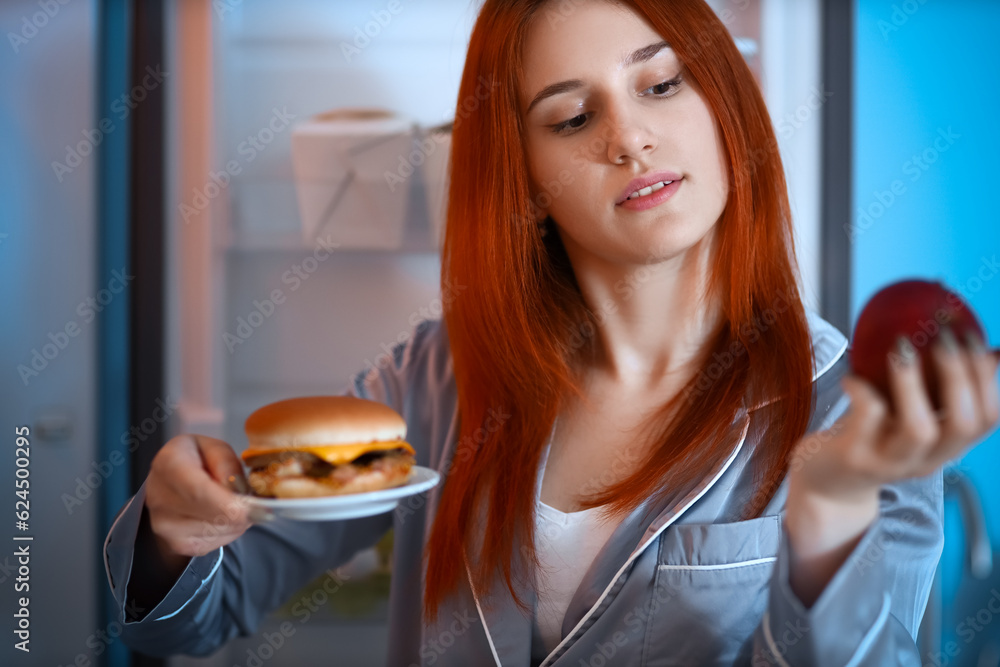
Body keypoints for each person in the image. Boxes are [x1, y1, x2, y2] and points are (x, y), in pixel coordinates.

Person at [104, 1, 1000, 665]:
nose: (630, 138)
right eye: (573, 117)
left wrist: (832, 504)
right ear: (524, 179)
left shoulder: (852, 414)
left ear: (724, 107)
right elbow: (191, 617)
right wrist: (174, 528)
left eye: (660, 84)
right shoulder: (435, 375)